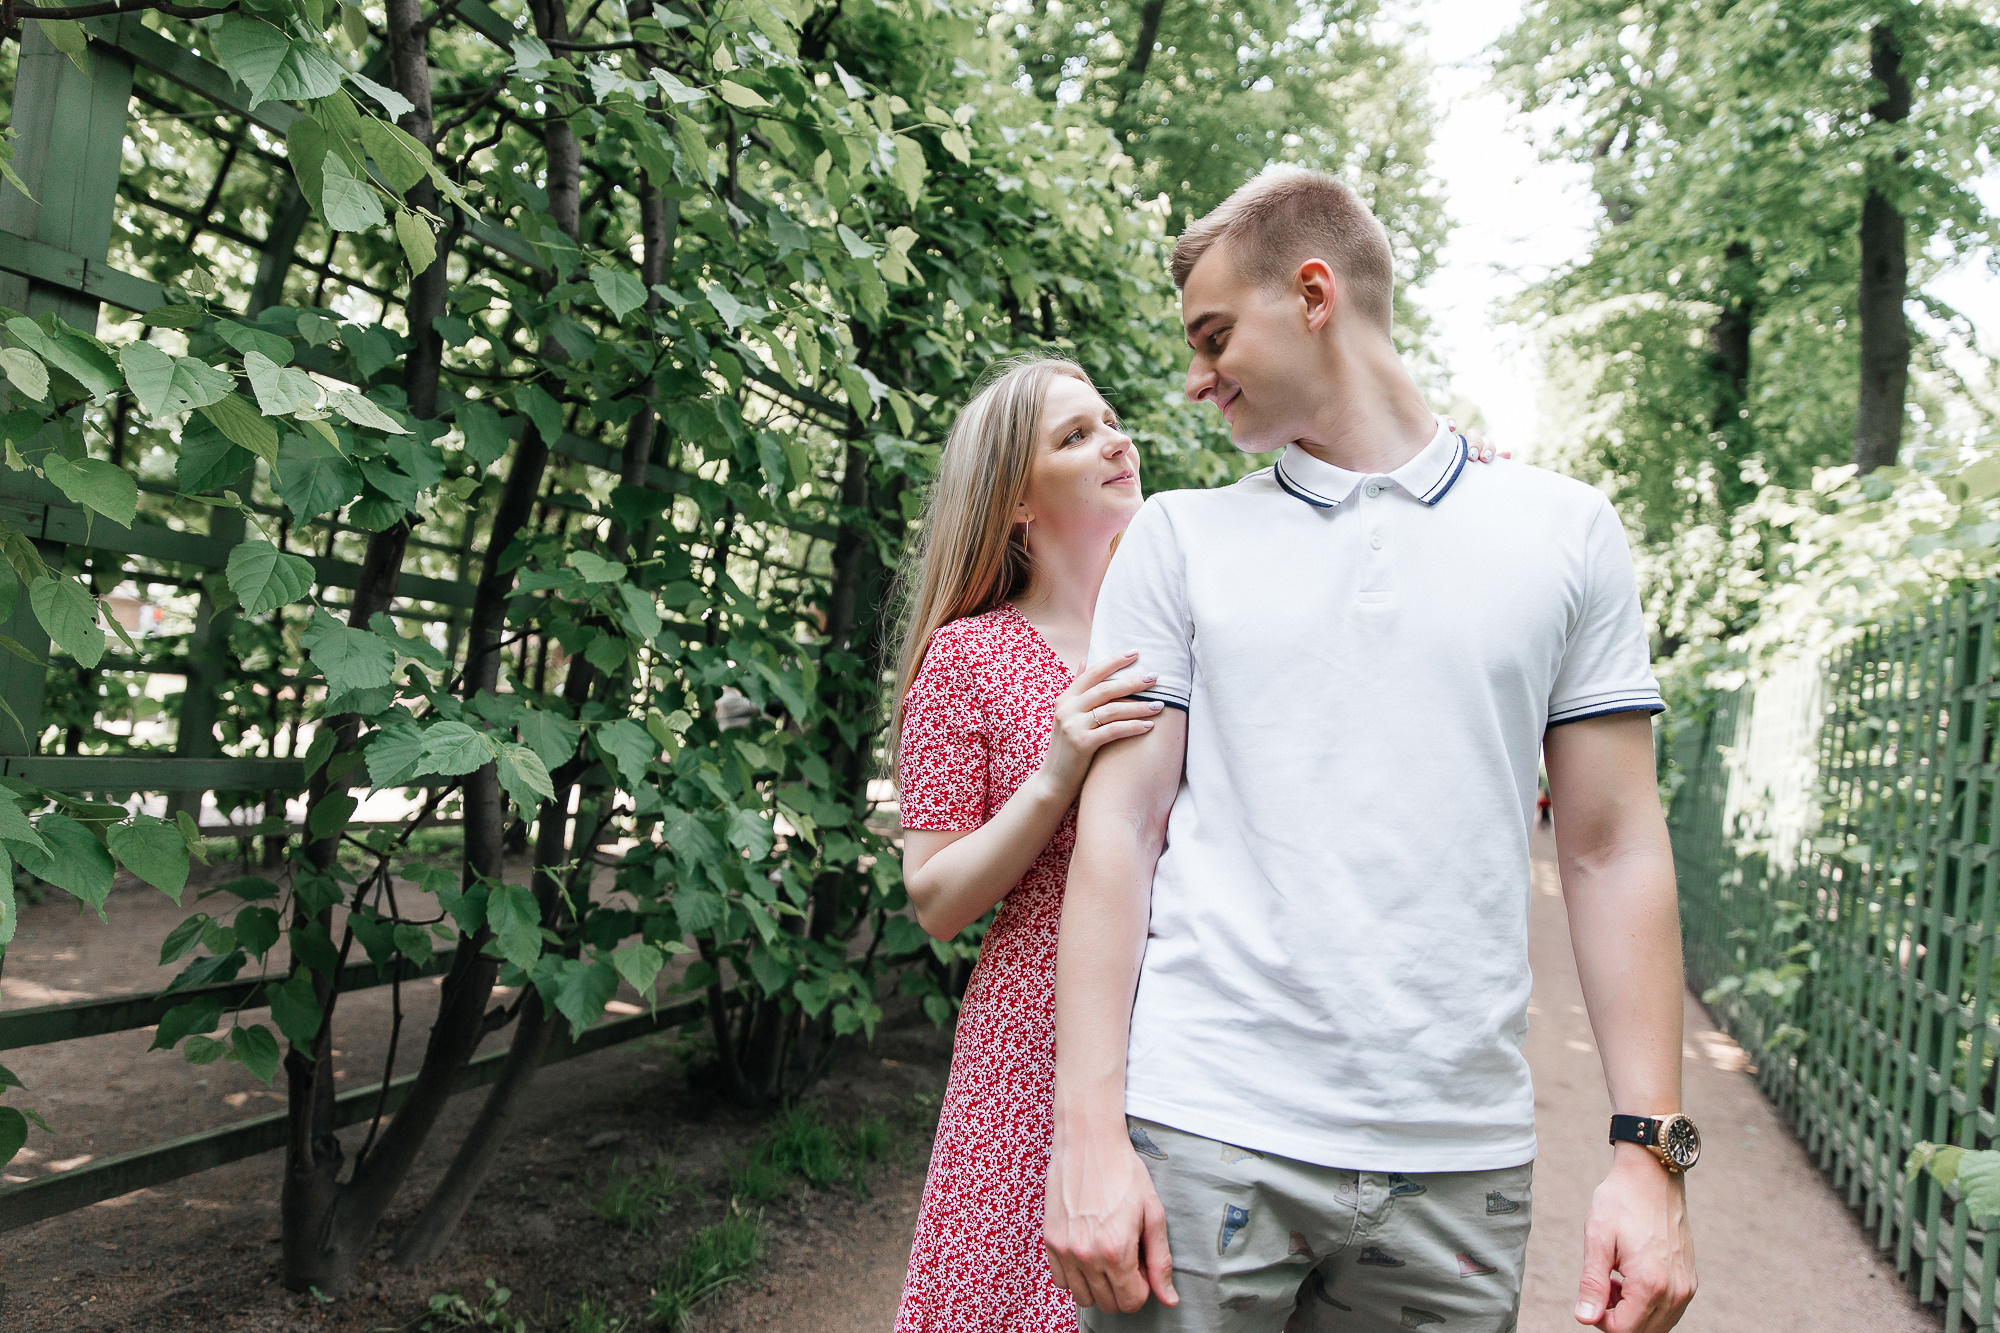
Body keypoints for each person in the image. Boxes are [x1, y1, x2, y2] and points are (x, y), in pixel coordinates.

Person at [1042, 166, 1699, 1333]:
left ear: (1310, 293)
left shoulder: (1563, 532)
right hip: (1205, 1130)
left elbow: (1610, 849)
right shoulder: (1178, 542)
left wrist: (1650, 1155)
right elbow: (1118, 838)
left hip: (1460, 1166)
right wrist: (1085, 1133)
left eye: (1212, 334)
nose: (1192, 382)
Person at [887, 353, 1504, 1331]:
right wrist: (1054, 774)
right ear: (1012, 498)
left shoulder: (1203, 605)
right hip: (1037, 1038)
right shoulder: (969, 656)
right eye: (1073, 435)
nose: (1114, 440)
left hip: (1217, 1019)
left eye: (1108, 418)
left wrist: (1459, 494)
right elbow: (935, 897)